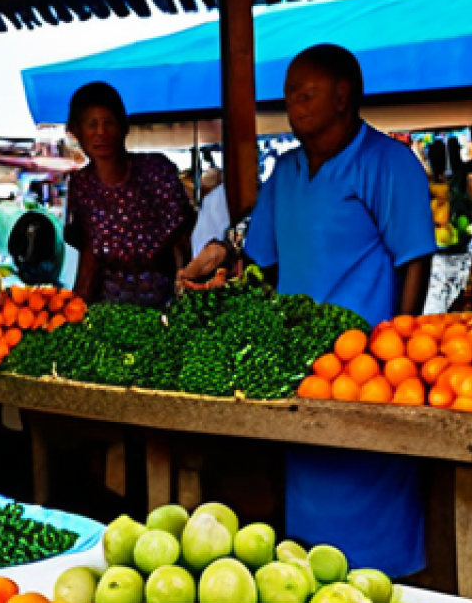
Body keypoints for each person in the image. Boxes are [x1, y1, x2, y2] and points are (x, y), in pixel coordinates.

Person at [182, 44, 435, 576]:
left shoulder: (388, 163)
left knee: (370, 496)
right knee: (310, 518)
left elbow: (415, 260)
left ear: (344, 96)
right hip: (299, 370)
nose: (294, 106)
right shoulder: (287, 172)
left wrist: (401, 349)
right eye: (290, 96)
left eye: (306, 94)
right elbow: (259, 252)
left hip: (368, 372)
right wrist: (223, 256)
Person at [65, 82, 194, 307]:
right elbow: (88, 256)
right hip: (107, 308)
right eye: (92, 125)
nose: (100, 133)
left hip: (162, 300)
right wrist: (76, 307)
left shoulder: (156, 170)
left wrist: (184, 298)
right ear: (77, 131)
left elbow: (181, 241)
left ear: (124, 127)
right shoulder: (80, 184)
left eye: (108, 123)